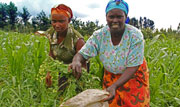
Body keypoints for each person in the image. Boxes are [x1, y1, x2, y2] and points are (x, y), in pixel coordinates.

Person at [69, 0, 150, 106]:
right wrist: (76, 61)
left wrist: (115, 86)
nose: (115, 20)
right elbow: (82, 53)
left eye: (119, 17)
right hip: (110, 77)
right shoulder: (100, 35)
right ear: (106, 17)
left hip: (133, 77)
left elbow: (133, 67)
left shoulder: (135, 36)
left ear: (125, 17)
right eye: (111, 17)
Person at [36, 4, 87, 88]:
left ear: (69, 20)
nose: (57, 25)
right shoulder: (51, 33)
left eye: (61, 21)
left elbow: (83, 64)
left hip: (77, 68)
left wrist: (80, 81)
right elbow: (51, 53)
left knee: (76, 93)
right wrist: (49, 72)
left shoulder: (77, 40)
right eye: (54, 21)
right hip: (62, 67)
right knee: (61, 92)